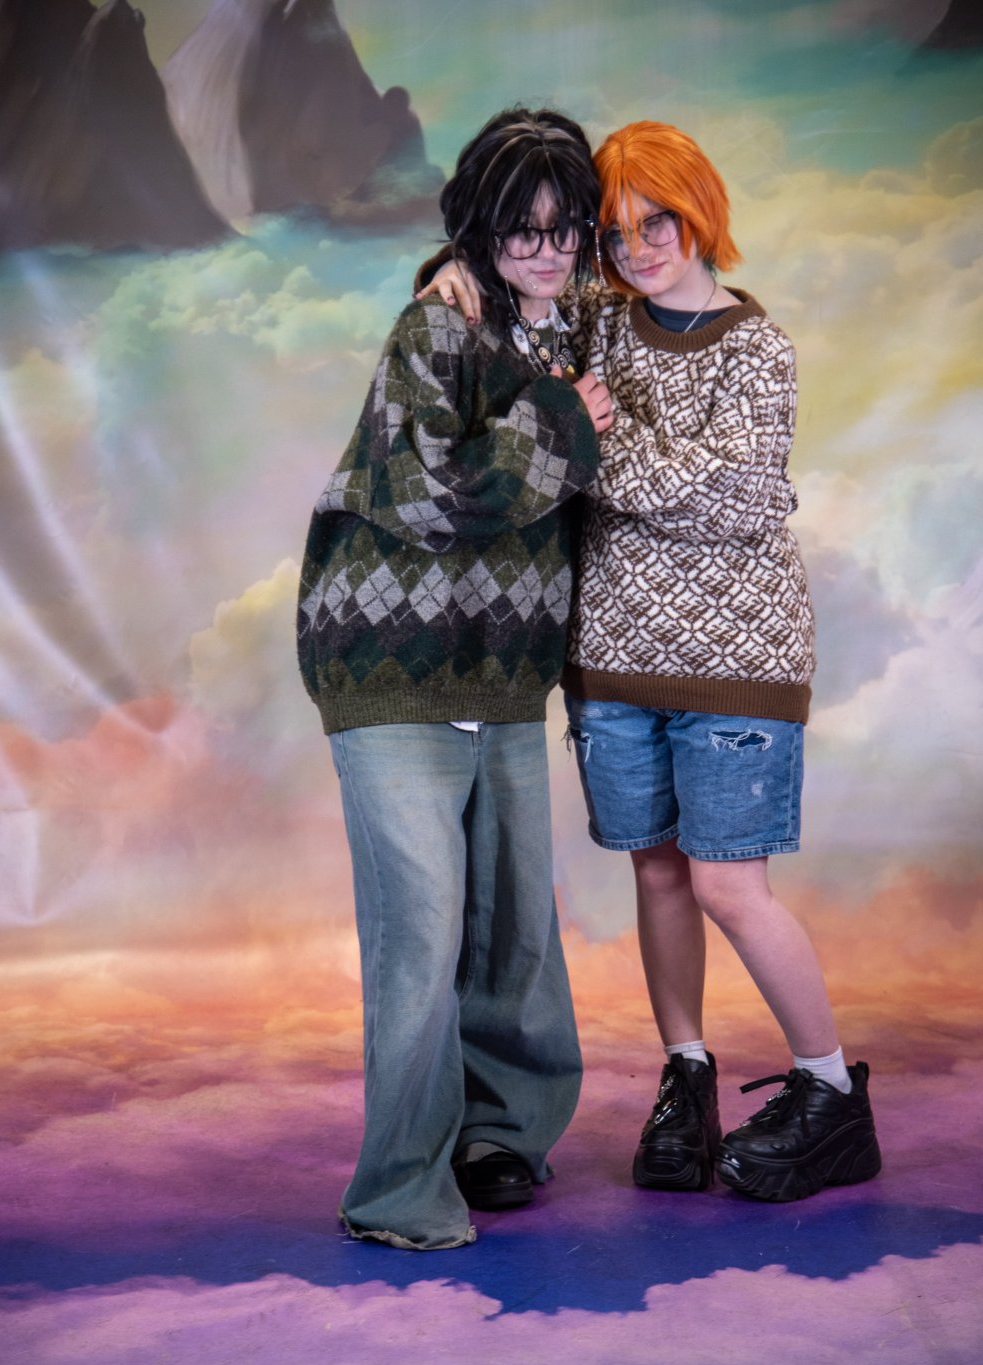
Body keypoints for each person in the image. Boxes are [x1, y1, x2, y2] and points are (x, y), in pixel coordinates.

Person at [420, 119, 881, 1205]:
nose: (636, 249)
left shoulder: (758, 350)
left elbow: (740, 502)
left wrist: (591, 440)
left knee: (728, 884)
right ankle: (687, 1077)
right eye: (615, 233)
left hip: (738, 666)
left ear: (699, 209)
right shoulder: (597, 319)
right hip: (611, 667)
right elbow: (517, 290)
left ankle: (829, 1093)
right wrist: (447, 271)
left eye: (656, 221)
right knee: (659, 873)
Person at [297, 107, 613, 1250]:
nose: (545, 250)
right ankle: (396, 1192)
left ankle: (499, 1139)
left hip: (502, 672)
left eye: (564, 228)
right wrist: (563, 420)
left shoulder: (564, 321)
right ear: (478, 228)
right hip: (392, 666)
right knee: (422, 936)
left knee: (511, 932)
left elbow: (652, 309)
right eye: (519, 229)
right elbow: (431, 491)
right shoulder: (432, 326)